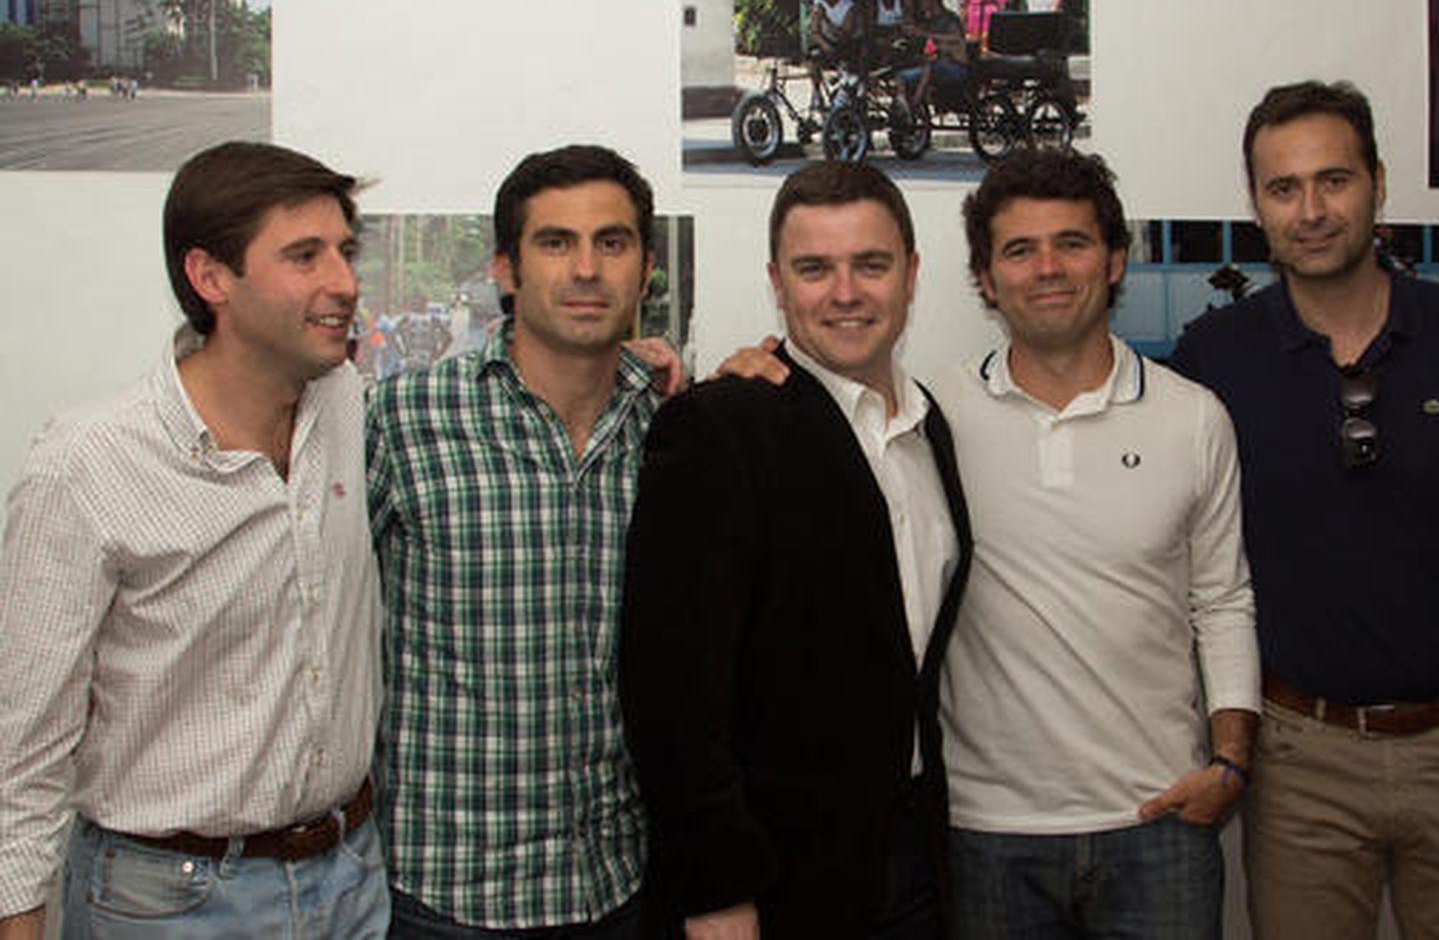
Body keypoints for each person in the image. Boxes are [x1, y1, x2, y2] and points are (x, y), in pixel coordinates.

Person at [1168, 79, 1439, 939]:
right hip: (1297, 758)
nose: (1312, 211)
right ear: (1257, 206)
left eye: (1334, 180)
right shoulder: (1214, 355)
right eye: (1284, 188)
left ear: (1378, 182)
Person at [0, 141, 386, 938]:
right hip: (170, 905)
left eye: (345, 252)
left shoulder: (343, 401)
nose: (344, 283)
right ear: (211, 277)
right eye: (304, 256)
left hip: (350, 881)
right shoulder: (87, 465)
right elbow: (23, 753)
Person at [620, 160, 973, 939]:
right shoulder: (720, 427)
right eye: (815, 269)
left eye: (871, 265)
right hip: (777, 879)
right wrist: (716, 889)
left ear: (911, 274)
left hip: (914, 855)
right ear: (778, 285)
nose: (845, 292)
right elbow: (671, 693)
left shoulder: (930, 429)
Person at [933, 148, 1258, 939]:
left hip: (1160, 823)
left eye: (1071, 243)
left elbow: (1223, 600)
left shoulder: (1194, 417)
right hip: (985, 834)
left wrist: (1230, 762)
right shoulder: (929, 414)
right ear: (985, 278)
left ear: (1114, 261)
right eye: (1019, 249)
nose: (1047, 268)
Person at [368, 145, 667, 938]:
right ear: (506, 268)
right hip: (446, 898)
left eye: (611, 243)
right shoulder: (404, 420)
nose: (586, 270)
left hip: (622, 889)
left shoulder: (676, 429)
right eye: (556, 243)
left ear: (644, 270)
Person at [898, 0, 969, 116]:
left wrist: (926, 34)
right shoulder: (929, 20)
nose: (921, 3)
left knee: (930, 67)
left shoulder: (950, 19)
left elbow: (956, 37)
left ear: (933, 0)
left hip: (954, 66)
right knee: (902, 75)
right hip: (938, 64)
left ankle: (915, 103)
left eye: (923, 0)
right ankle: (903, 107)